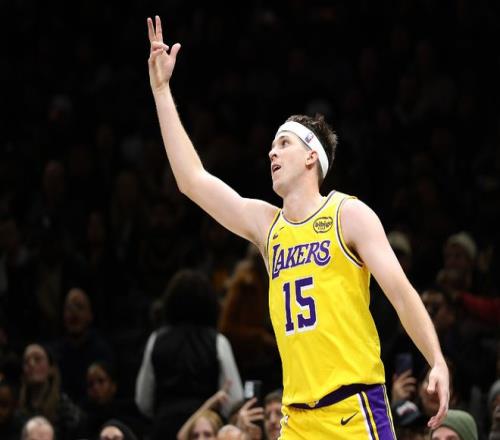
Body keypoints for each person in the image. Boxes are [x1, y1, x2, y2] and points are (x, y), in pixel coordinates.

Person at [146, 15, 449, 439]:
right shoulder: (267, 226)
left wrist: (436, 359)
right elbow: (191, 180)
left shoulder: (348, 214)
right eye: (271, 146)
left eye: (283, 143)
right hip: (296, 418)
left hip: (353, 408)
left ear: (312, 157)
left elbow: (400, 292)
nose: (272, 152)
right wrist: (161, 90)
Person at [135, 269, 243, 440]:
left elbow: (143, 400)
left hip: (164, 429)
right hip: (206, 429)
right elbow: (235, 399)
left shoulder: (156, 340)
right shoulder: (217, 341)